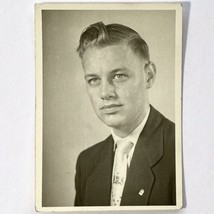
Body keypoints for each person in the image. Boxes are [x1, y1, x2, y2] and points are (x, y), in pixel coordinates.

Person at [74, 22, 175, 206]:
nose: (105, 93)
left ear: (149, 76)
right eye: (94, 80)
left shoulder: (181, 148)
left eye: (118, 76)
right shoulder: (87, 162)